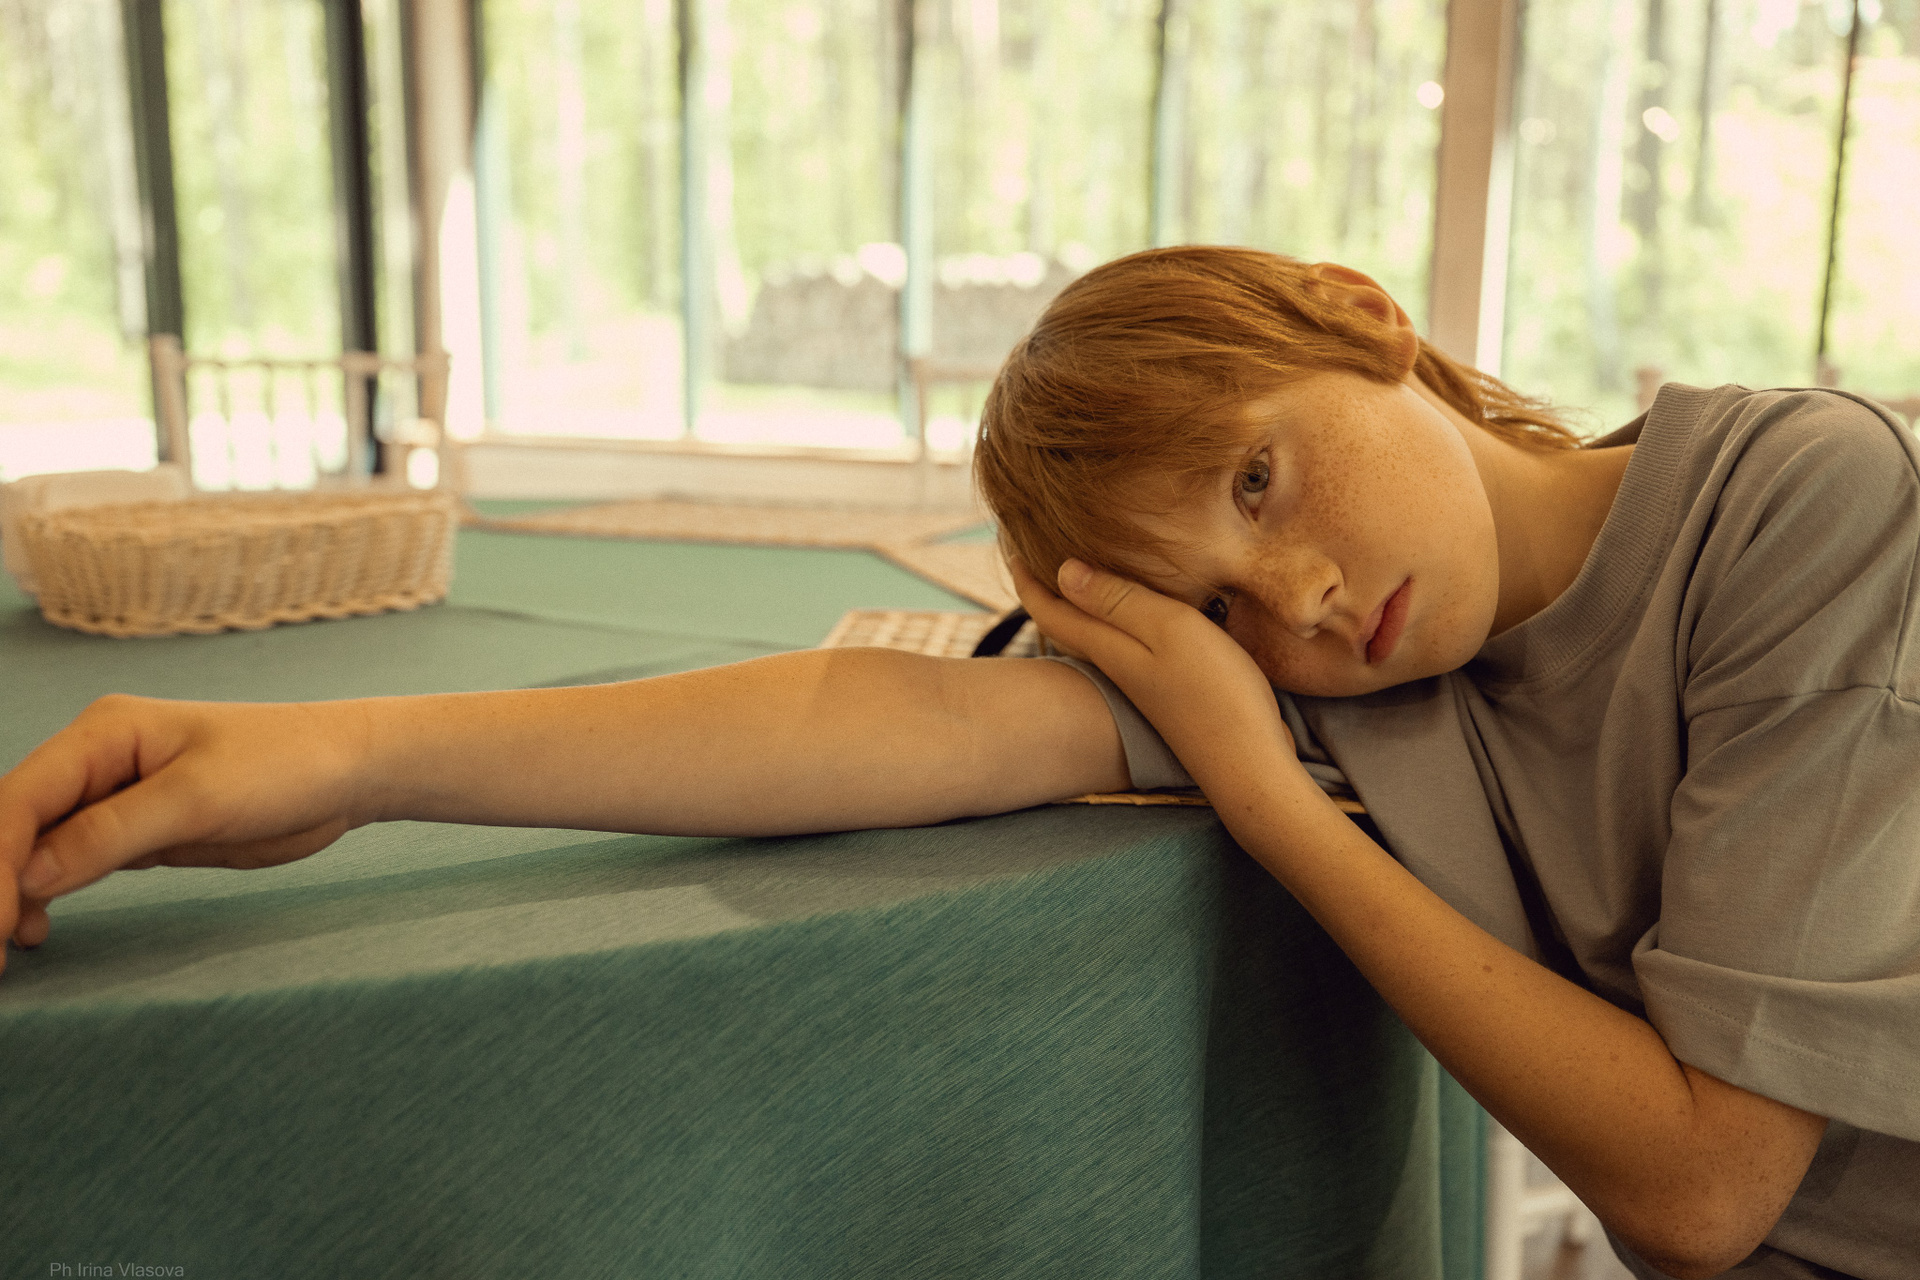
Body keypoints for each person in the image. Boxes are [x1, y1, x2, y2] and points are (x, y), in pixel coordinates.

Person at [1, 246, 1913, 1279]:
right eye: (1215, 603)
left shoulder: (1806, 496)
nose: (1300, 601)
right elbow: (906, 717)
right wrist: (331, 753)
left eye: (1259, 477)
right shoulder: (1334, 668)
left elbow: (1700, 1192)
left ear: (1361, 315)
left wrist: (1267, 802)